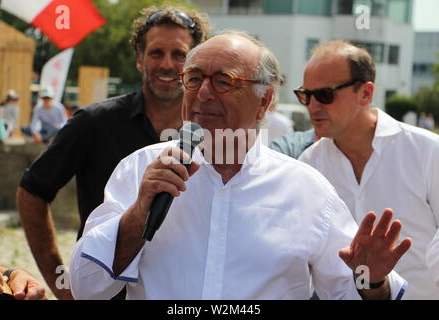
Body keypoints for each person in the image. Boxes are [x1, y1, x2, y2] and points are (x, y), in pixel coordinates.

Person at [69, 32, 410, 300]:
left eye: (223, 81)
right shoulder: (139, 169)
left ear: (264, 101)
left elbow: (350, 292)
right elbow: (87, 288)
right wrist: (138, 214)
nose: (203, 93)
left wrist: (372, 280)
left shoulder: (306, 189)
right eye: (194, 78)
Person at [16, 5, 211, 300]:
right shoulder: (95, 122)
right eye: (156, 53)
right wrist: (63, 284)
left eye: (180, 54)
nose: (168, 64)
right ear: (139, 60)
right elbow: (31, 192)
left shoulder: (212, 133)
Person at [296, 40, 439, 299]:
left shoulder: (427, 150)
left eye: (325, 95)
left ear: (365, 93)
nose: (313, 106)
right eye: (306, 95)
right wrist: (369, 282)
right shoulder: (309, 164)